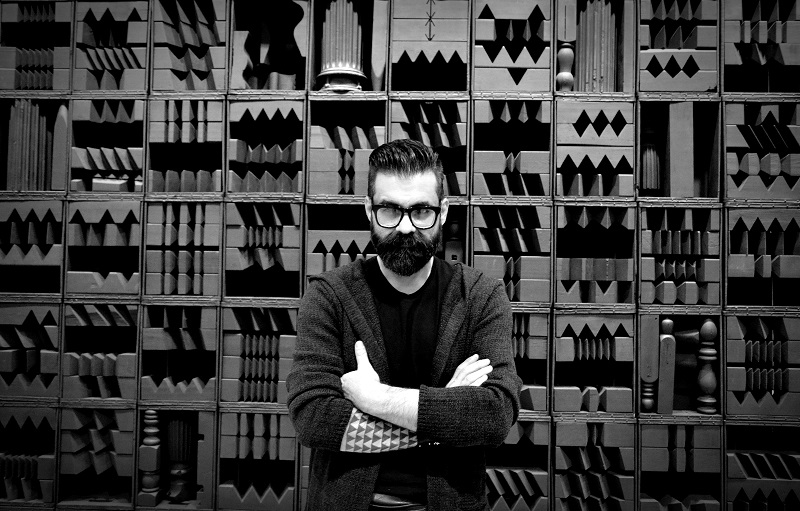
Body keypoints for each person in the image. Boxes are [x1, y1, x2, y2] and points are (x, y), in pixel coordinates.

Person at [286, 139, 522, 511]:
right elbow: (313, 417)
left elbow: (495, 415)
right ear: (369, 209)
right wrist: (443, 415)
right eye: (390, 210)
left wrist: (376, 400)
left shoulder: (481, 297)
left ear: (443, 211)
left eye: (421, 211)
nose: (406, 227)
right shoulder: (328, 296)